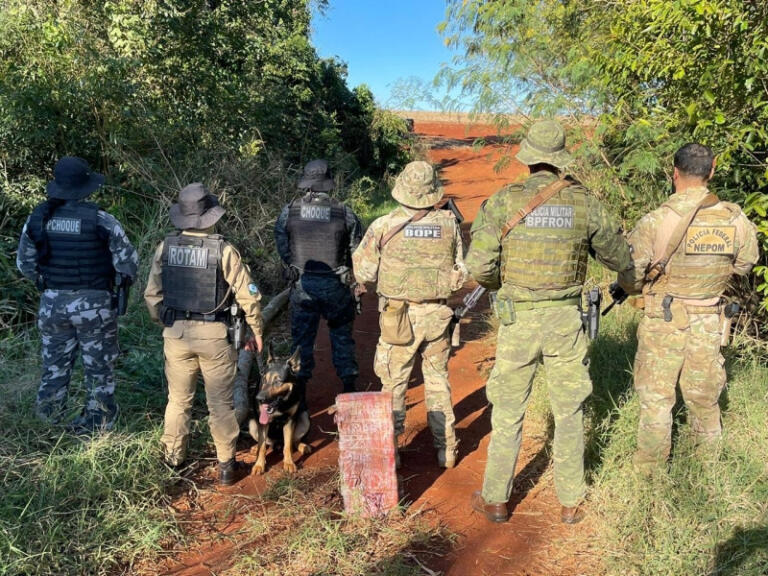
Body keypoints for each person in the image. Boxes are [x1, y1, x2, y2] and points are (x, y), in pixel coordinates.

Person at [465, 120, 631, 524]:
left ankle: (497, 499)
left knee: (507, 408)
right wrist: (624, 284)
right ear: (559, 161)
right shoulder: (584, 203)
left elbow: (479, 266)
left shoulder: (502, 201)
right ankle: (571, 501)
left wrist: (502, 283)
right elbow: (621, 260)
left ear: (528, 159)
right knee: (570, 409)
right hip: (565, 320)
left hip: (519, 318)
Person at [617, 143, 758, 472]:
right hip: (709, 321)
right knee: (705, 399)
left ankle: (649, 473)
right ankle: (707, 471)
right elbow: (745, 264)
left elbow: (631, 277)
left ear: (674, 172)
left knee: (656, 400)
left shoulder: (656, 221)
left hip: (662, 321)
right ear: (711, 171)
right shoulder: (735, 220)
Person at [144, 183, 264, 485]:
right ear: (211, 217)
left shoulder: (165, 248)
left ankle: (173, 460)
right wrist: (256, 330)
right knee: (220, 404)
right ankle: (226, 466)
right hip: (215, 336)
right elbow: (249, 296)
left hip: (176, 336)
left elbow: (152, 296)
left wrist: (167, 324)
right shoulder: (224, 251)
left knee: (178, 401)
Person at [352, 160, 467, 469]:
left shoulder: (383, 226)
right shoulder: (449, 224)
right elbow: (461, 271)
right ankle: (447, 451)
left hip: (397, 319)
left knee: (394, 384)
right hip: (438, 316)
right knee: (438, 381)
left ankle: (392, 452)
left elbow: (363, 271)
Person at [16, 156, 138, 433]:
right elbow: (128, 264)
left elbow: (24, 264)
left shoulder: (38, 219)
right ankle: (99, 422)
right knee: (99, 368)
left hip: (52, 305)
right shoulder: (102, 220)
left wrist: (50, 283)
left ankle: (48, 422)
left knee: (54, 366)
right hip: (95, 306)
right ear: (87, 187)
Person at [274, 159, 362, 396]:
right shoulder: (344, 212)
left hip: (303, 286)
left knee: (302, 340)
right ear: (329, 183)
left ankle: (300, 392)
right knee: (342, 336)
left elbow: (283, 247)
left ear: (307, 183)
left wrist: (295, 267)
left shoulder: (289, 211)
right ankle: (349, 385)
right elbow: (357, 249)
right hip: (336, 286)